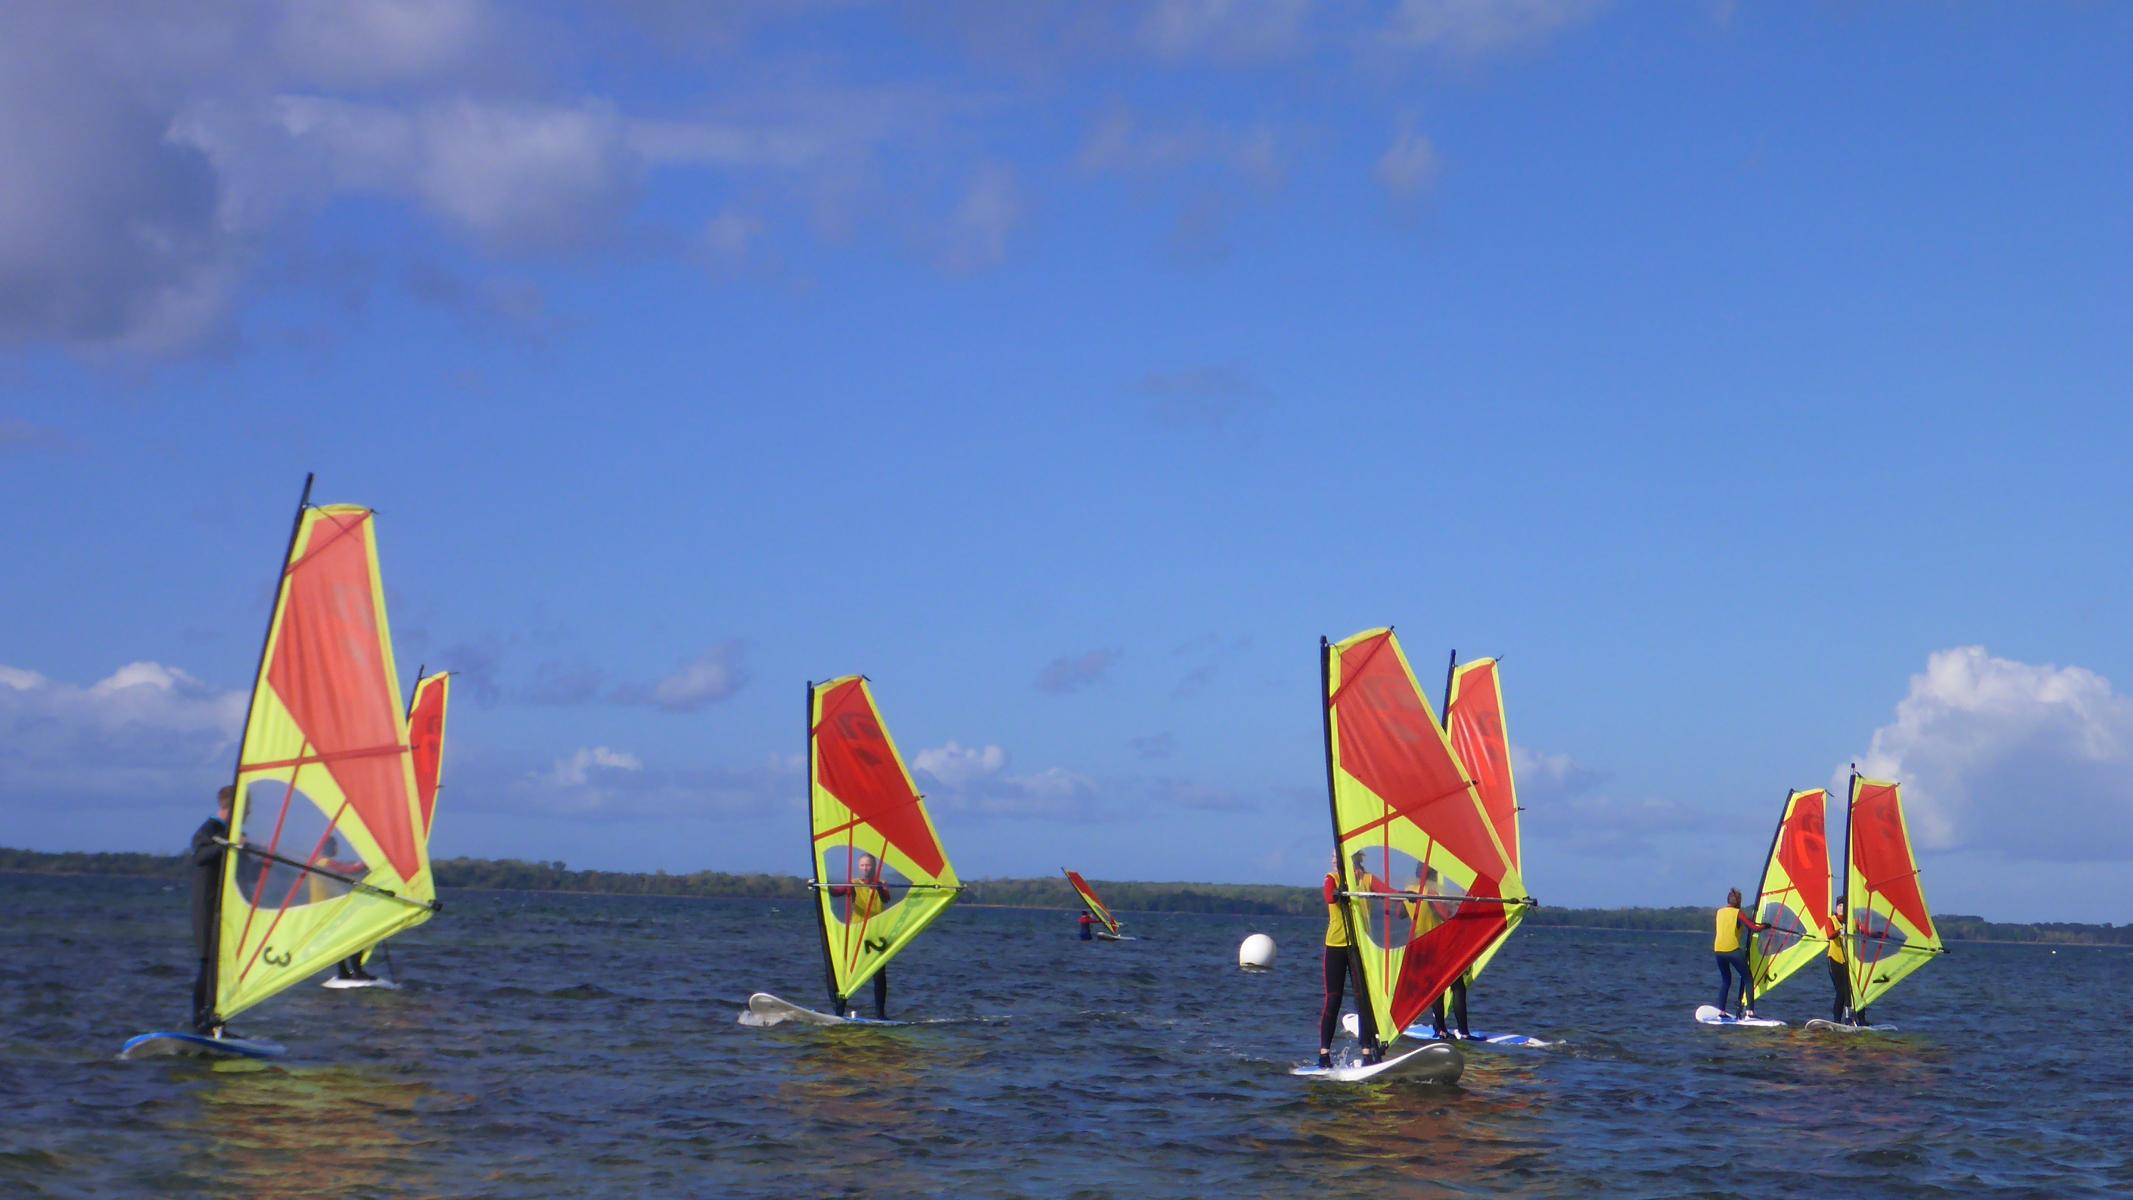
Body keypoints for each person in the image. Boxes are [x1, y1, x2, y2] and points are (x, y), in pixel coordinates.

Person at [1318, 851, 1381, 1068]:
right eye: (1332, 855)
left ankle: (1367, 1053)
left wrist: (1410, 895)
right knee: (1333, 999)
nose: (1332, 859)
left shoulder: (1367, 879)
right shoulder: (1332, 878)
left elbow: (1389, 893)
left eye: (1335, 855)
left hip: (1358, 947)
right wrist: (1339, 893)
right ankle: (1324, 1055)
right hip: (1335, 946)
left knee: (1363, 1000)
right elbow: (1329, 897)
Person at [190, 786, 235, 1035]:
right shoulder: (209, 829)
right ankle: (200, 1022)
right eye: (245, 810)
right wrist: (227, 845)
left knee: (222, 968)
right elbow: (199, 855)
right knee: (208, 964)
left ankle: (217, 1023)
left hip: (225, 912)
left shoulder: (230, 832)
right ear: (232, 807)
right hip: (206, 910)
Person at [827, 852, 891, 1019]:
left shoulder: (881, 884)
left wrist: (879, 888)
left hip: (877, 934)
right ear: (858, 867)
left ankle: (880, 1014)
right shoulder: (854, 884)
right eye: (862, 865)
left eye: (868, 865)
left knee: (879, 975)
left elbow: (886, 898)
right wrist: (823, 883)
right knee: (846, 972)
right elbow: (836, 892)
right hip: (857, 933)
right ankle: (839, 1012)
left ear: (874, 867)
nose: (865, 868)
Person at [1413, 866, 1470, 1040]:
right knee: (1457, 987)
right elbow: (1446, 915)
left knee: (1436, 988)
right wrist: (1460, 904)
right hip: (1439, 945)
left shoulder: (1411, 890)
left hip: (1421, 945)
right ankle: (1461, 1032)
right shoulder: (1430, 892)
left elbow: (1400, 914)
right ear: (1433, 876)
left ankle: (1440, 1029)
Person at [311, 836, 379, 982]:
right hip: (329, 909)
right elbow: (351, 870)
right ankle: (357, 972)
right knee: (356, 934)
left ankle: (343, 973)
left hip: (323, 909)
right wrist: (371, 861)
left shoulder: (316, 862)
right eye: (335, 846)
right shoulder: (325, 862)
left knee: (340, 939)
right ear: (327, 847)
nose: (337, 849)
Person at [1713, 887, 1766, 1018]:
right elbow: (1754, 928)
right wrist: (1766, 926)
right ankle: (1750, 1012)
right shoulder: (1738, 913)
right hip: (1732, 950)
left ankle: (1721, 1011)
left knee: (1726, 980)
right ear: (1738, 902)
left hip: (1718, 951)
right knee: (1748, 978)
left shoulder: (1719, 912)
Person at [1827, 899, 1853, 1024]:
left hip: (1848, 962)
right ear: (1836, 907)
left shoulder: (1851, 921)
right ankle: (1837, 1021)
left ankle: (1858, 1020)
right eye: (1840, 905)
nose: (1842, 908)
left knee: (1852, 992)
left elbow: (1862, 930)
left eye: (1844, 906)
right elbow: (1830, 935)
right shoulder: (1830, 920)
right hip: (1834, 960)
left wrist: (1878, 934)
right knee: (1841, 991)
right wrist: (1840, 931)